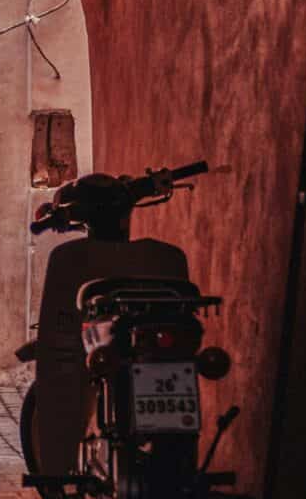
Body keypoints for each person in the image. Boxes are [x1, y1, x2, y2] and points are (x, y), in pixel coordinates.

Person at [31, 173, 191, 478]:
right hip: (159, 341)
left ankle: (59, 469)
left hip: (117, 347)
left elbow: (60, 338)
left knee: (61, 361)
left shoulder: (71, 259)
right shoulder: (165, 258)